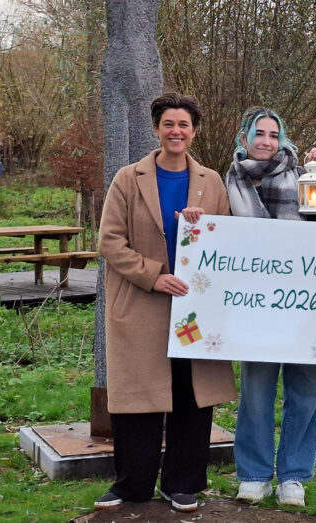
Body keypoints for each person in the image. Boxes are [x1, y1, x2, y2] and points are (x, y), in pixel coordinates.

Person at [96, 93, 236, 513]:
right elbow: (110, 241)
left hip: (195, 305)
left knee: (190, 395)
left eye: (184, 125)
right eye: (169, 124)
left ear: (195, 131)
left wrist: (205, 226)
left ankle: (183, 483)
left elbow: (228, 240)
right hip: (142, 303)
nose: (177, 131)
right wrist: (154, 276)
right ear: (156, 129)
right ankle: (131, 485)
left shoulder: (211, 182)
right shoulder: (127, 178)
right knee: (139, 398)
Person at [225, 106, 316, 508]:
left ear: (283, 139)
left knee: (306, 389)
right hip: (255, 305)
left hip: (305, 303)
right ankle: (253, 475)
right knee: (256, 391)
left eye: (274, 134)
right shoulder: (230, 181)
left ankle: (294, 475)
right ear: (245, 138)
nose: (267, 141)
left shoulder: (306, 177)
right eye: (260, 133)